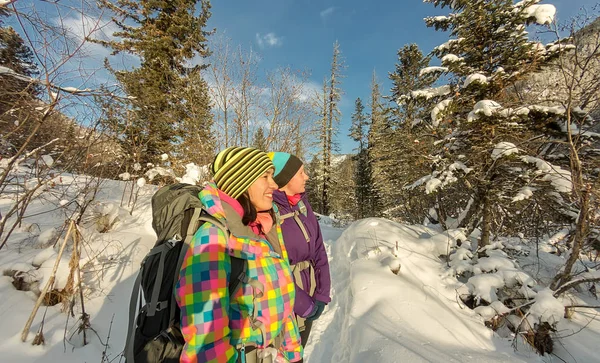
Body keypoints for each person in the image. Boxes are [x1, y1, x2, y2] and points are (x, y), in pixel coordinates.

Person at [175, 147, 303, 363]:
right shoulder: (212, 241)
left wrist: (293, 355)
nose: (274, 184)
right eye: (265, 176)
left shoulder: (261, 230)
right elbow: (205, 345)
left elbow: (283, 306)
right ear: (241, 183)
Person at [267, 152, 331, 348]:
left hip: (310, 293)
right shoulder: (268, 211)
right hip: (283, 302)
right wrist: (302, 304)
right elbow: (271, 268)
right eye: (301, 172)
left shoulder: (302, 204)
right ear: (284, 179)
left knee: (299, 351)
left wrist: (321, 292)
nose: (307, 177)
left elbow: (318, 247)